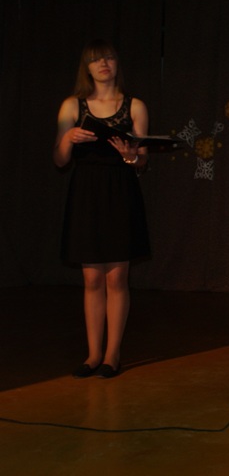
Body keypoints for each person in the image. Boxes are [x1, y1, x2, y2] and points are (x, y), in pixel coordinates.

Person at [54, 39, 150, 380]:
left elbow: (142, 160)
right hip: (86, 192)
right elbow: (60, 160)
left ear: (116, 63)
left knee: (117, 277)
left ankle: (112, 354)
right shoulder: (72, 105)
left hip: (120, 190)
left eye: (108, 57)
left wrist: (131, 156)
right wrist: (68, 139)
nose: (103, 64)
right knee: (92, 278)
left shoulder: (134, 106)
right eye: (96, 60)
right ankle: (93, 354)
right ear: (87, 67)